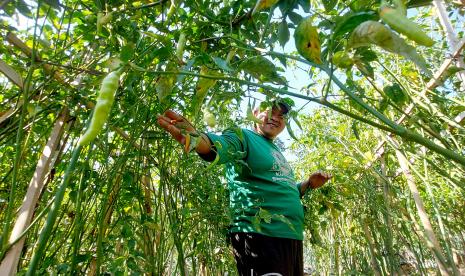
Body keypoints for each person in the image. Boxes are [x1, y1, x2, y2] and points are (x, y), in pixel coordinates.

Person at [157, 101, 331, 276]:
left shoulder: (275, 150)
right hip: (260, 236)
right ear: (254, 113)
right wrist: (197, 138)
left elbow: (282, 188)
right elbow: (219, 146)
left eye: (281, 115)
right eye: (270, 112)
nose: (274, 118)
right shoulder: (243, 137)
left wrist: (308, 184)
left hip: (290, 237)